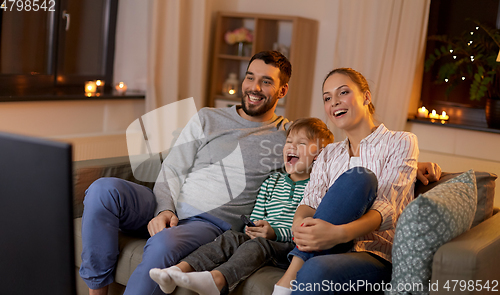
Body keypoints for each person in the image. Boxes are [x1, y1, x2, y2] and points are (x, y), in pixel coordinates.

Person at [79, 51, 293, 295]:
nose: (254, 88)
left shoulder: (286, 136)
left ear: (282, 90)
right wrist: (164, 209)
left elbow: (321, 149)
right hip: (166, 204)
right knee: (102, 190)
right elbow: (172, 168)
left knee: (163, 244)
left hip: (209, 223)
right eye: (250, 77)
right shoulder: (208, 117)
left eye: (266, 81)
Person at [272, 68, 433, 295]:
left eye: (343, 93)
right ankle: (297, 266)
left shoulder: (401, 141)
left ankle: (292, 272)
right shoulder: (328, 153)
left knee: (360, 178)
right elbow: (310, 201)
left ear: (366, 96)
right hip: (326, 248)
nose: (334, 102)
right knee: (355, 180)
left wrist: (339, 234)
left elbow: (387, 208)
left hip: (375, 255)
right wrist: (298, 226)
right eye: (327, 98)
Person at [148, 117, 334, 295]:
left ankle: (217, 281)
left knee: (260, 244)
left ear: (319, 155)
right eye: (289, 141)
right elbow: (255, 217)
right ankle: (176, 271)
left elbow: (307, 230)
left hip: (286, 247)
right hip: (261, 238)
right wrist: (253, 227)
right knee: (230, 237)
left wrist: (274, 233)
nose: (291, 146)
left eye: (301, 143)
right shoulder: (272, 181)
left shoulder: (316, 190)